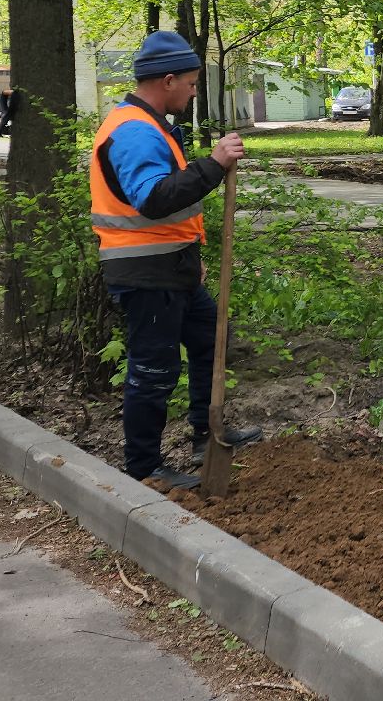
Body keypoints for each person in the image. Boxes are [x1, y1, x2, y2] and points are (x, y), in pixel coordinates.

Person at [90, 31, 261, 490]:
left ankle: (208, 435)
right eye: (189, 82)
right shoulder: (133, 131)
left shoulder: (154, 124)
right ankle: (144, 468)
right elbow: (153, 198)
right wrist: (214, 164)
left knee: (209, 339)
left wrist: (190, 256)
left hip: (173, 268)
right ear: (166, 81)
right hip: (147, 273)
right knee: (154, 368)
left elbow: (170, 210)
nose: (192, 90)